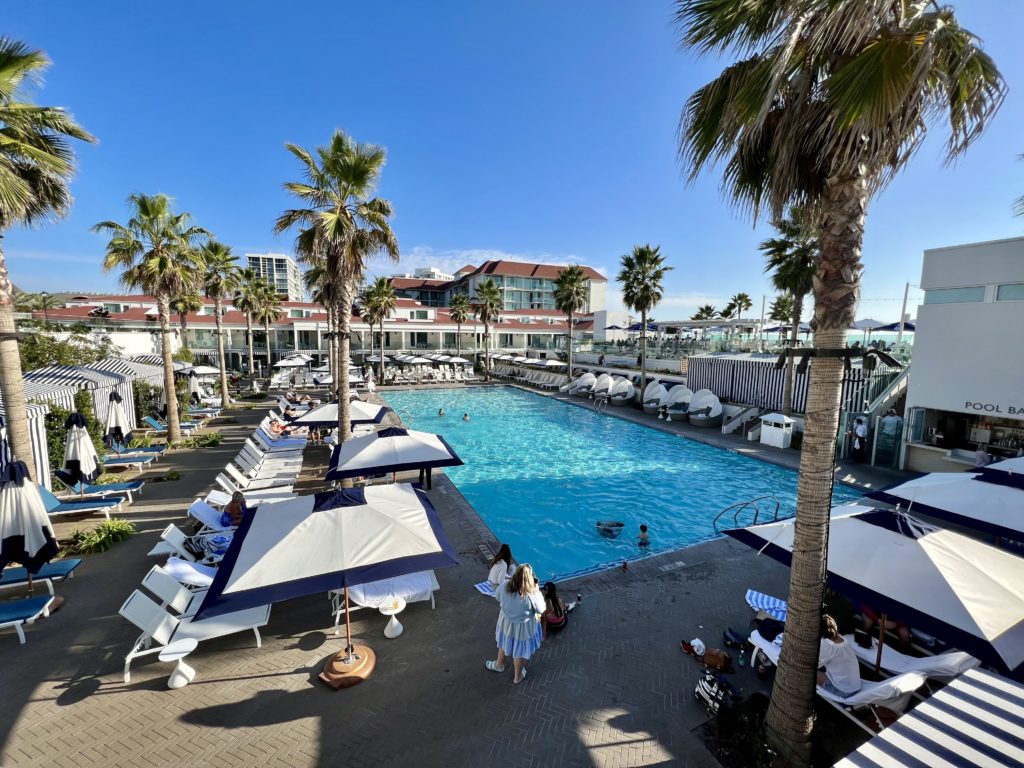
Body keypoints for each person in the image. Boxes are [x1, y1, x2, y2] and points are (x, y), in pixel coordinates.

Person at [486, 564, 546, 684]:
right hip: (523, 629)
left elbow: (497, 597)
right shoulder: (532, 595)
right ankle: (517, 677)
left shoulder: (505, 586)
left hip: (506, 623)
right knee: (519, 651)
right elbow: (541, 609)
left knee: (504, 641)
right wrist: (537, 590)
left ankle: (499, 664)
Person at [818, 614, 861, 698]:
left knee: (806, 671)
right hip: (855, 686)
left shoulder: (827, 645)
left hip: (843, 691)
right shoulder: (841, 638)